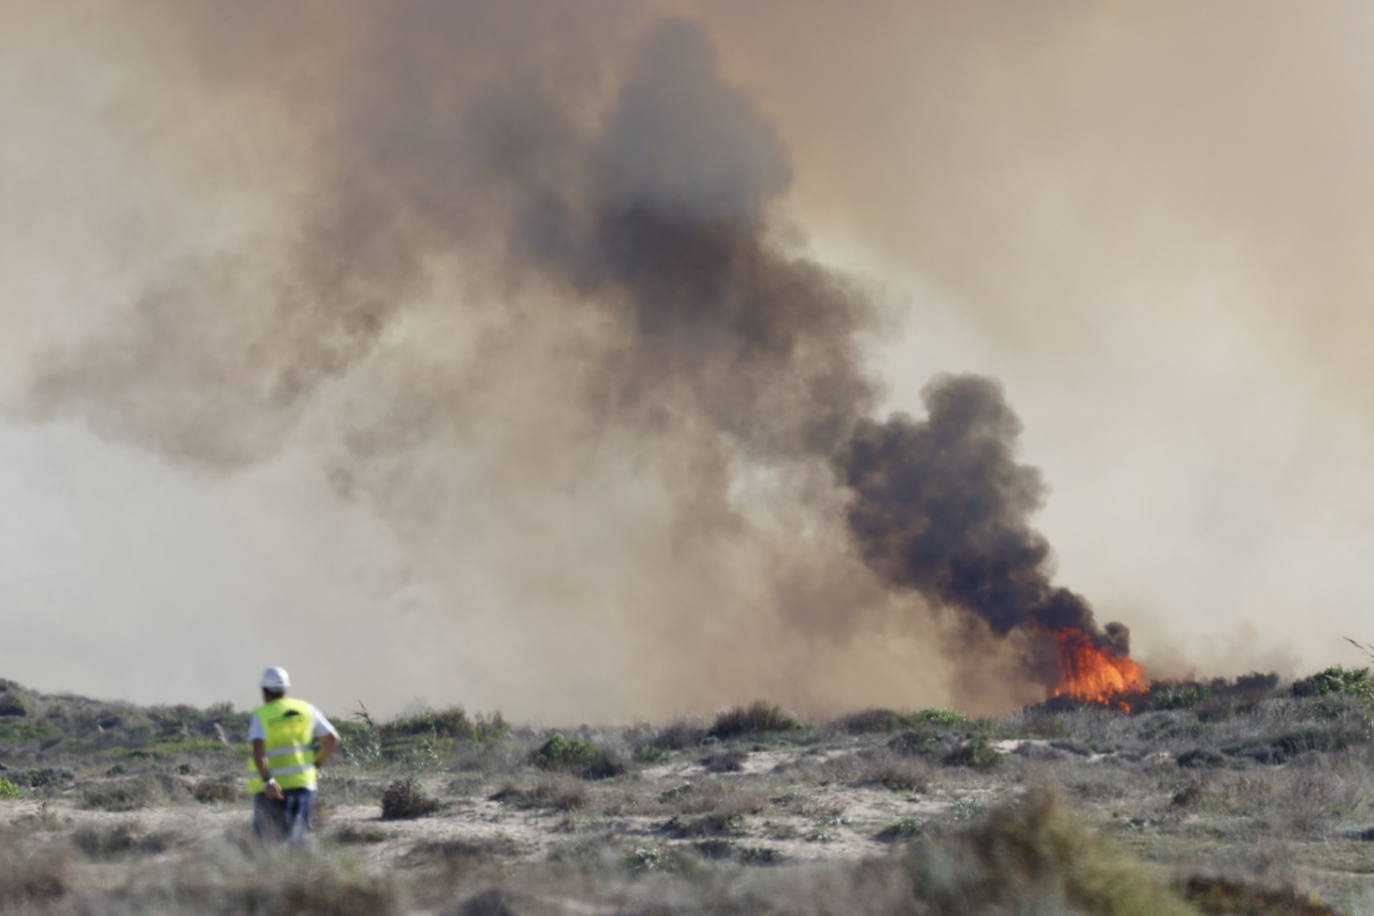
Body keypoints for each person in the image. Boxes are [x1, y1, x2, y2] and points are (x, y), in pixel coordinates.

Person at [246, 666, 340, 844]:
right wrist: (316, 764)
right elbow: (332, 739)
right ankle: (310, 870)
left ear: (264, 691)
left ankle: (273, 870)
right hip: (304, 784)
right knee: (302, 834)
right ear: (286, 689)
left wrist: (268, 780)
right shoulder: (306, 709)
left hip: (271, 789)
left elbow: (258, 748)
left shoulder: (262, 714)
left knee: (267, 840)